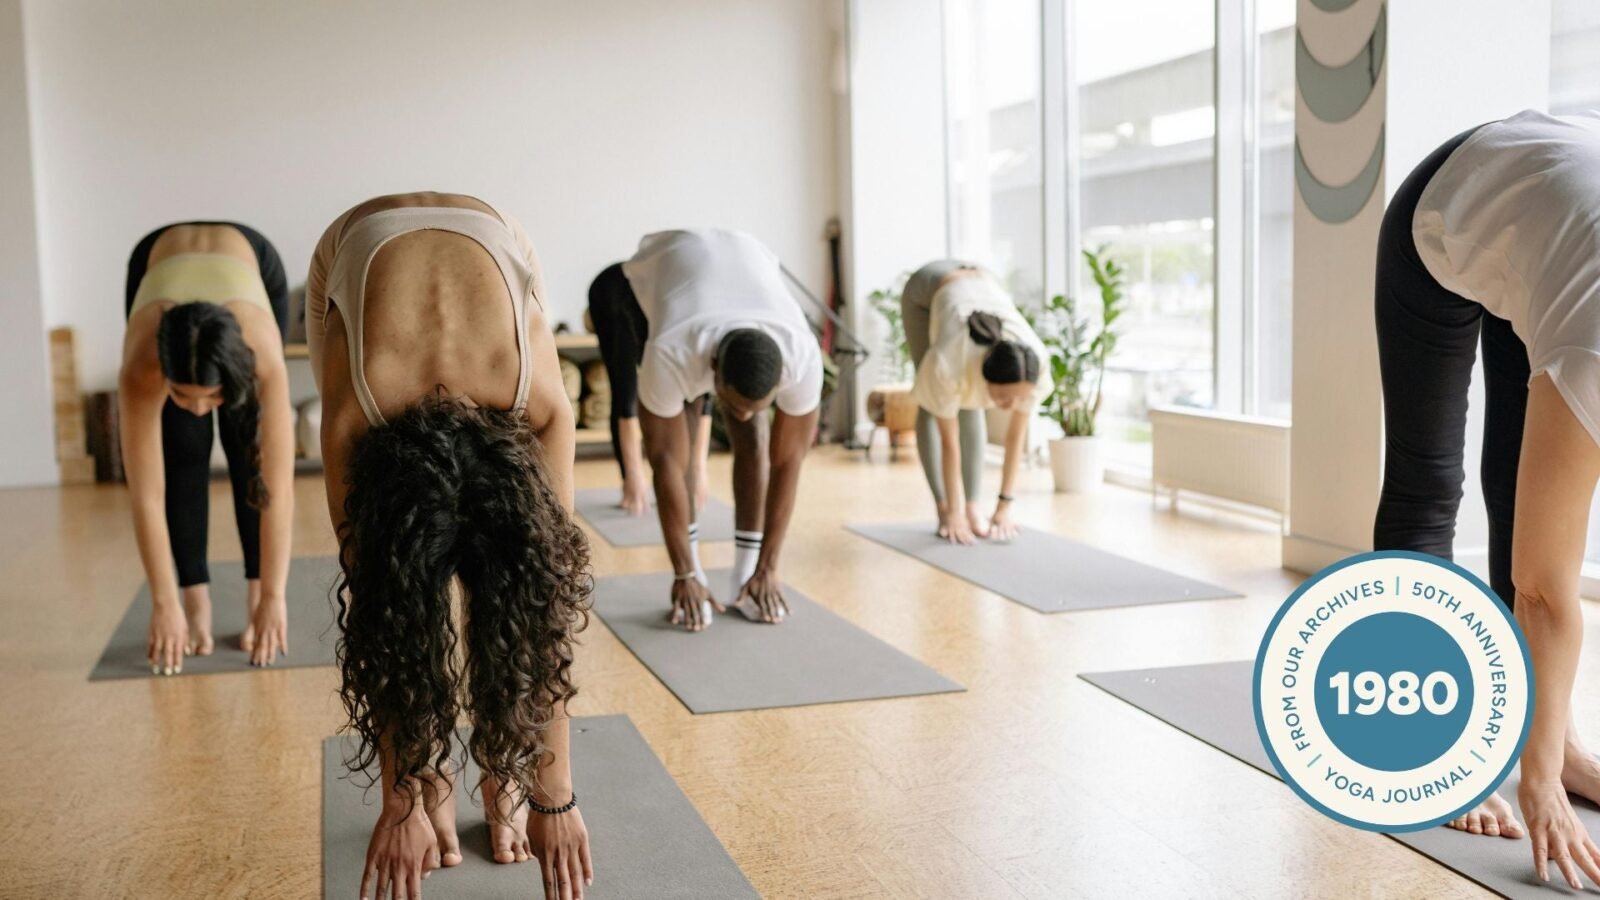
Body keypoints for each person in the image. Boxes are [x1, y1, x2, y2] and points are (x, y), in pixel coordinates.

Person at [306, 192, 593, 900]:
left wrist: (552, 791)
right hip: (353, 246)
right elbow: (382, 618)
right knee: (403, 594)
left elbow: (545, 612)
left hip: (495, 235)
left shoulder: (538, 402)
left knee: (520, 591)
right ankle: (436, 780)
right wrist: (405, 791)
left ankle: (502, 773)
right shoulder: (354, 415)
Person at [1374, 109, 1600, 890]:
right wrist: (1534, 785)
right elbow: (1542, 589)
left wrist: (1549, 747)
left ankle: (1556, 744)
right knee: (1429, 485)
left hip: (1552, 235)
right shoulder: (1594, 352)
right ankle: (1427, 741)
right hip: (1452, 210)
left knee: (1517, 485)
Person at [598, 228, 823, 631]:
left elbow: (788, 463)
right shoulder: (672, 352)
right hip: (660, 273)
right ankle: (696, 576)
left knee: (754, 435)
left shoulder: (802, 357)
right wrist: (683, 573)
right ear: (714, 370)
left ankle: (746, 575)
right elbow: (665, 462)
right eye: (732, 405)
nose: (741, 415)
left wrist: (768, 566)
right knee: (680, 437)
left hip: (747, 257)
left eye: (755, 405)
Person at [118, 221, 295, 674]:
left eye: (211, 397)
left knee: (247, 447)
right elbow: (146, 495)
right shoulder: (142, 364)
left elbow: (278, 488)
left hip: (251, 256)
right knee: (183, 448)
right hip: (155, 255)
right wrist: (165, 602)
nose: (199, 409)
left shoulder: (263, 357)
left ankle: (255, 595)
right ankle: (195, 603)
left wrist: (274, 596)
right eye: (182, 395)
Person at [902, 261, 1049, 545]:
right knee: (932, 403)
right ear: (986, 377)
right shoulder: (948, 362)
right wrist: (953, 512)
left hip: (982, 279)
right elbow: (949, 443)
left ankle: (973, 506)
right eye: (1003, 397)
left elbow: (1016, 436)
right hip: (927, 287)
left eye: (1018, 397)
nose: (1010, 406)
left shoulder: (1035, 363)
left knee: (970, 403)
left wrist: (1004, 506)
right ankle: (944, 507)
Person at [586, 262, 712, 517]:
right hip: (609, 292)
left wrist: (699, 469)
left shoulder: (694, 325)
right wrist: (633, 474)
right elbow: (625, 400)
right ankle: (629, 482)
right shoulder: (628, 316)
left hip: (652, 295)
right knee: (623, 385)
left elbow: (704, 400)